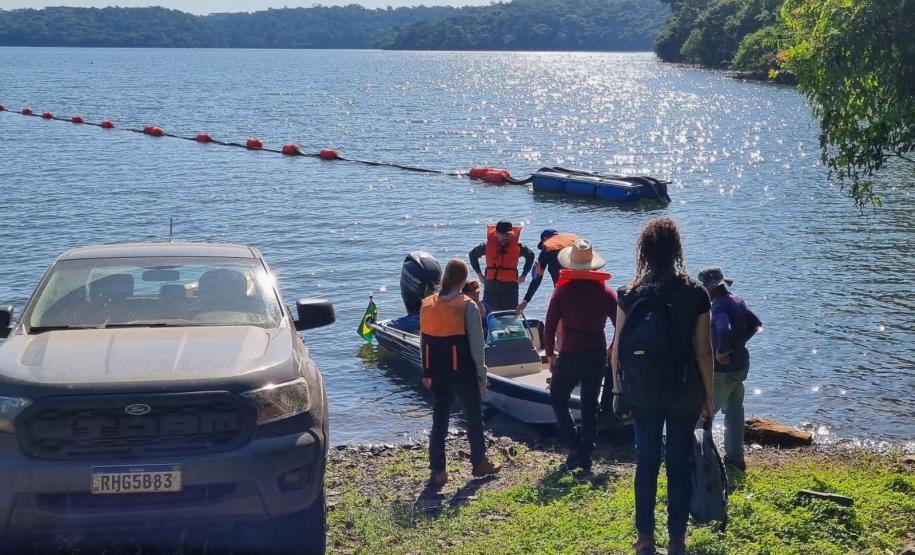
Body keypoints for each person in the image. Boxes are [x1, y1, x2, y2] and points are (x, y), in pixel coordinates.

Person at [610, 218, 715, 555]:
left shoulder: (628, 293)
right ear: (677, 250)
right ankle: (677, 539)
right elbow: (704, 350)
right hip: (684, 391)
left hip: (643, 391)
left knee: (646, 462)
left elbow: (617, 349)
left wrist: (618, 390)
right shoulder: (696, 293)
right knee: (678, 463)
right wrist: (708, 395)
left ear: (643, 251)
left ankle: (645, 538)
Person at [420, 258, 502, 487]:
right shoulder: (467, 305)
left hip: (436, 370)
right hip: (462, 370)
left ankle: (437, 471)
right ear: (464, 280)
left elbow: (424, 342)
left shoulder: (427, 303)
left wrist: (426, 371)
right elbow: (477, 347)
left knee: (439, 420)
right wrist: (482, 376)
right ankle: (479, 462)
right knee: (473, 416)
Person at [544, 238, 617, 473]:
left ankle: (575, 445)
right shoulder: (606, 292)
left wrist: (550, 354)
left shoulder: (562, 291)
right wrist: (613, 347)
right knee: (589, 404)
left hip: (571, 353)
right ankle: (585, 453)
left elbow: (549, 325)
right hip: (596, 353)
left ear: (570, 265)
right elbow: (621, 324)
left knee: (558, 397)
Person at [698, 266, 763, 472]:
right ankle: (735, 458)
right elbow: (756, 324)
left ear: (710, 289)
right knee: (735, 411)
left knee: (703, 416)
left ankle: (702, 459)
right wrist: (737, 346)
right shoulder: (737, 299)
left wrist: (722, 352)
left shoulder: (718, 306)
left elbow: (723, 329)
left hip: (722, 372)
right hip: (740, 367)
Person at [468, 220, 536, 311]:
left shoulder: (518, 247)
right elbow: (472, 255)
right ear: (496, 234)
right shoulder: (486, 246)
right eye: (503, 234)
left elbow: (531, 255)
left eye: (508, 235)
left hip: (510, 287)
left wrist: (524, 275)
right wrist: (479, 274)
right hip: (491, 286)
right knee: (489, 312)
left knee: (509, 313)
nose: (505, 237)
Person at [515, 229, 578, 314]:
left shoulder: (546, 251)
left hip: (562, 293)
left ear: (545, 239)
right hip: (583, 289)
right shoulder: (574, 246)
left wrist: (525, 301)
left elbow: (537, 279)